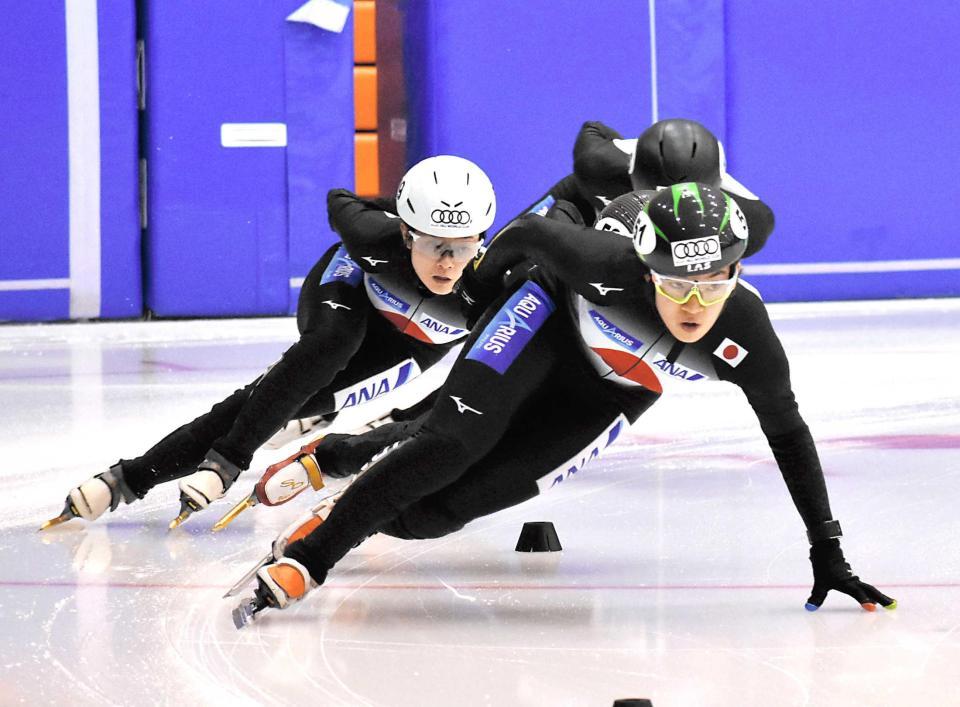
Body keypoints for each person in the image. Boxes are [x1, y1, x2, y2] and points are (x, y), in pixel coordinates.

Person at [247, 183, 895, 615]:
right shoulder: (600, 261)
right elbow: (528, 232)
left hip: (618, 383)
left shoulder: (746, 334)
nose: (694, 304)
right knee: (451, 443)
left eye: (712, 283)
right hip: (547, 318)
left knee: (446, 510)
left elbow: (788, 432)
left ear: (737, 271)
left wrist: (826, 548)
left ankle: (346, 507)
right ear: (645, 268)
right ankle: (313, 556)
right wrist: (482, 295)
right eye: (674, 283)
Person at [42, 155, 496, 530]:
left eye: (462, 246)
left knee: (286, 401)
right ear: (405, 233)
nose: (448, 263)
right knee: (331, 345)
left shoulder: (494, 284)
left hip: (414, 342)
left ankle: (129, 477)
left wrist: (397, 421)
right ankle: (224, 462)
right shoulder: (371, 235)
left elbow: (465, 392)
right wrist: (382, 211)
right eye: (434, 244)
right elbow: (340, 199)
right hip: (353, 290)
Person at [516, 118, 775, 259]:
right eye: (650, 198)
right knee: (522, 238)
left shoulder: (752, 223)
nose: (669, 212)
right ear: (630, 171)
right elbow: (593, 127)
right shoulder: (597, 166)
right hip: (590, 194)